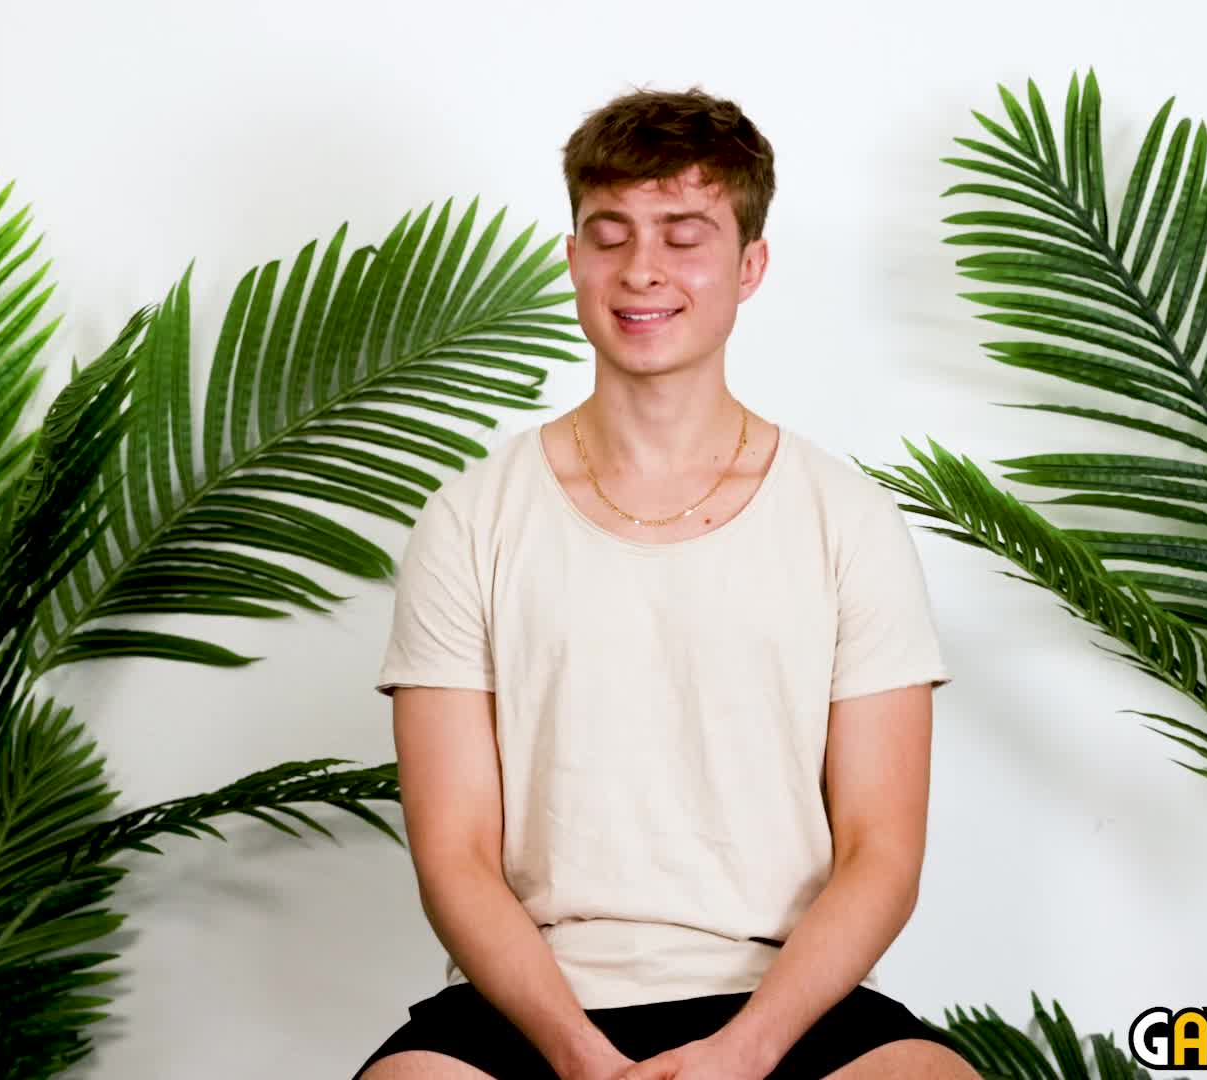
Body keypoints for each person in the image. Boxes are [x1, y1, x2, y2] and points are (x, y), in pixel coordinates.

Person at [354, 86, 976, 1080]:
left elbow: (881, 854)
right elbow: (456, 855)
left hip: (785, 999)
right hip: (532, 1002)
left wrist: (745, 1052)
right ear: (573, 258)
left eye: (684, 236)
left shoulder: (846, 519)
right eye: (611, 236)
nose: (641, 269)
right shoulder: (471, 519)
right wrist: (580, 1057)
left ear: (750, 265)